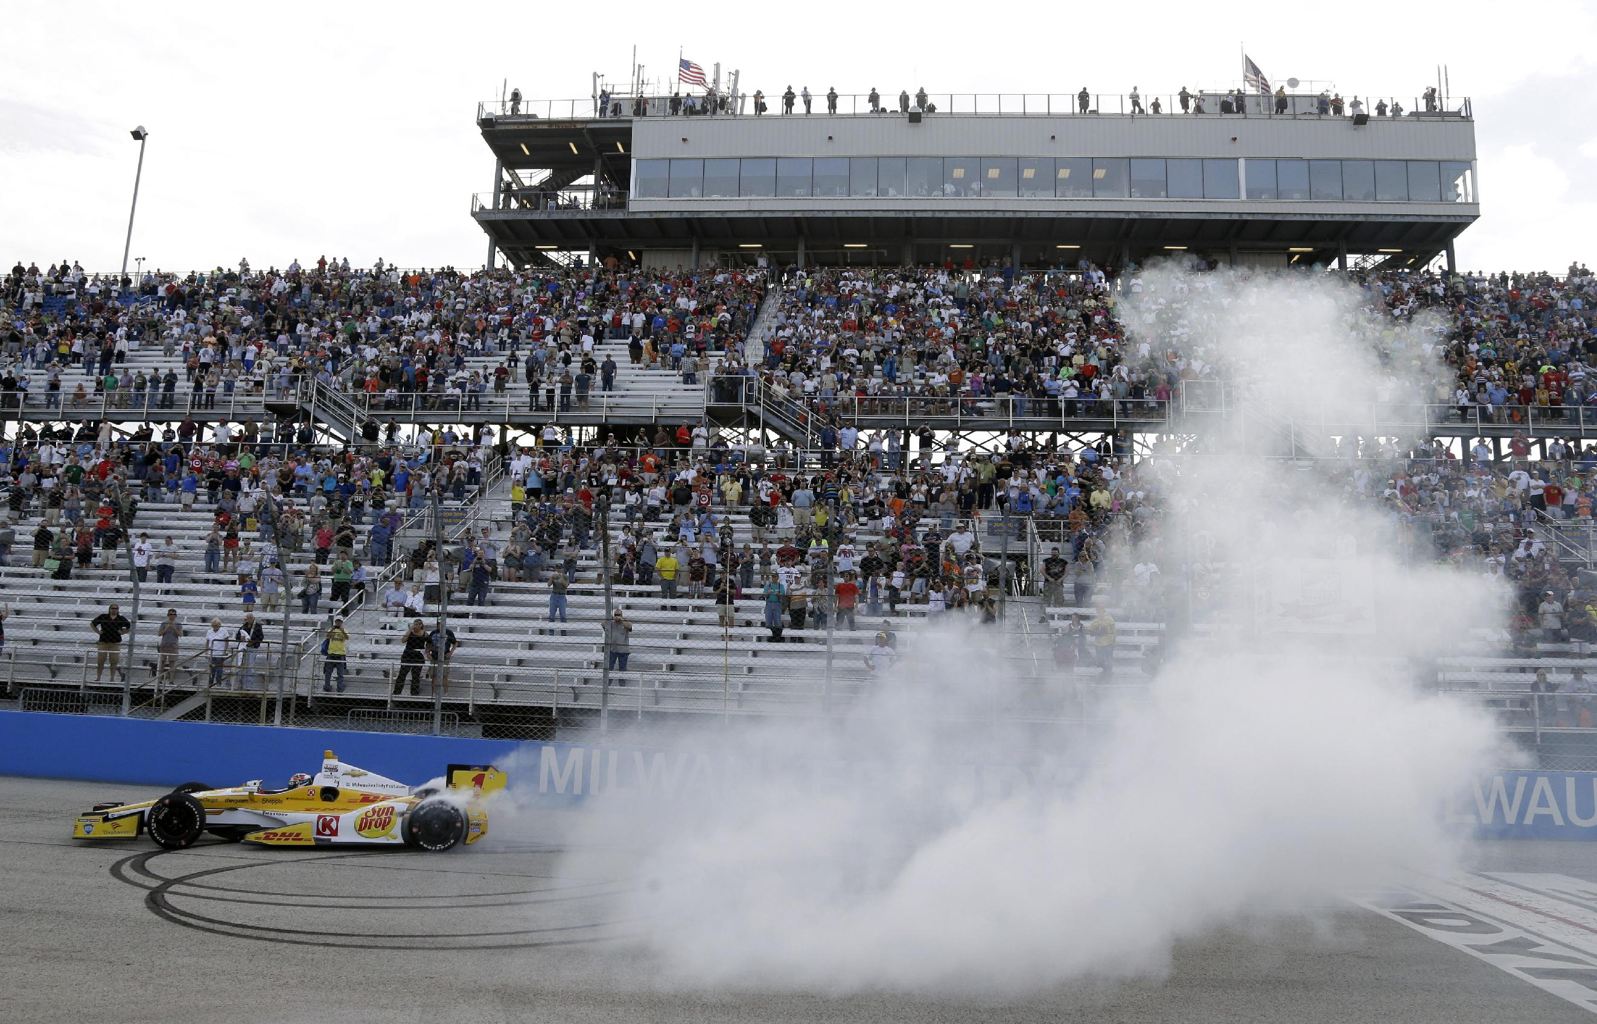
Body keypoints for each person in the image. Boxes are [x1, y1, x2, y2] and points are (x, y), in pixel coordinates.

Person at [90, 603, 131, 682]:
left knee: (113, 661)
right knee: (100, 661)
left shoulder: (121, 618)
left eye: (116, 608)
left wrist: (123, 632)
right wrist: (98, 632)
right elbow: (92, 624)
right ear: (109, 609)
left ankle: (112, 678)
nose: (114, 610)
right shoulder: (103, 616)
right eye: (112, 608)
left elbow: (129, 627)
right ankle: (98, 677)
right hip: (103, 642)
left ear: (118, 610)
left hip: (115, 643)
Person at [393, 618, 429, 696]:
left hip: (418, 655)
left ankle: (414, 693)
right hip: (408, 654)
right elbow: (403, 640)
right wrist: (410, 630)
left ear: (422, 625)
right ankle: (397, 692)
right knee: (402, 674)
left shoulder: (425, 634)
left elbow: (429, 644)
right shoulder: (410, 632)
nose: (417, 625)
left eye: (419, 624)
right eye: (416, 624)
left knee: (416, 675)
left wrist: (427, 652)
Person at [428, 620, 458, 695]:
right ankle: (434, 693)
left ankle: (446, 692)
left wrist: (451, 652)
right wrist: (427, 653)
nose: (440, 626)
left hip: (445, 657)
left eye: (441, 624)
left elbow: (455, 642)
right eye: (438, 624)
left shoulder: (448, 632)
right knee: (433, 676)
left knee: (444, 676)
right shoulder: (433, 633)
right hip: (434, 656)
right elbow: (428, 644)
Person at [235, 613, 264, 689]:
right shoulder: (244, 626)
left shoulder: (257, 626)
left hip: (252, 648)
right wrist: (240, 638)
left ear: (252, 618)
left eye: (248, 619)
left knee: (250, 667)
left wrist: (253, 641)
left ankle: (248, 686)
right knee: (241, 665)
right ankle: (240, 684)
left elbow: (260, 637)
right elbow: (237, 636)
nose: (247, 620)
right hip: (243, 648)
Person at [155, 608, 183, 689]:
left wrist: (174, 628)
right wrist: (166, 628)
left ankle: (171, 680)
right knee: (162, 663)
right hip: (164, 645)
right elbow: (159, 634)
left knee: (172, 663)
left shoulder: (178, 624)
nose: (172, 616)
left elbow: (180, 635)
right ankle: (159, 679)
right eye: (170, 614)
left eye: (174, 614)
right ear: (168, 615)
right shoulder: (163, 623)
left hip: (173, 645)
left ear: (176, 615)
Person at [323, 616, 349, 693]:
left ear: (342, 622)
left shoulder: (344, 630)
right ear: (335, 622)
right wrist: (333, 629)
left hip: (340, 654)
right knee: (328, 672)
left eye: (339, 621)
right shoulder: (331, 630)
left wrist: (342, 630)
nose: (338, 623)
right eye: (337, 621)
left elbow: (347, 637)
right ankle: (327, 687)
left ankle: (340, 688)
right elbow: (327, 636)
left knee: (340, 673)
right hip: (331, 653)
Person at [203, 616, 230, 689]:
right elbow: (207, 642)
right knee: (212, 669)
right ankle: (210, 683)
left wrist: (225, 651)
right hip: (211, 653)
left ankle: (218, 683)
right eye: (214, 625)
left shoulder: (224, 631)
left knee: (219, 669)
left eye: (216, 625)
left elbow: (227, 642)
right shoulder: (209, 631)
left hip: (220, 653)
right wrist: (206, 651)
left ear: (219, 625)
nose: (215, 627)